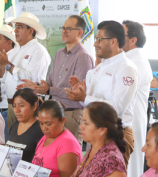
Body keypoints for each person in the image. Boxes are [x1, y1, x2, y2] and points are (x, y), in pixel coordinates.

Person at [65, 20, 138, 166]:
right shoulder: (99, 68)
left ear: (113, 42)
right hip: (98, 133)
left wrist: (85, 97)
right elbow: (90, 103)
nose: (94, 44)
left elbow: (117, 109)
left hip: (117, 134)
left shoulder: (126, 69)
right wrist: (81, 95)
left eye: (99, 39)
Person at [17, 15, 94, 146]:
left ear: (80, 32)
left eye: (68, 29)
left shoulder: (83, 57)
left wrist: (49, 89)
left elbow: (75, 94)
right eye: (63, 28)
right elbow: (50, 82)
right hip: (54, 113)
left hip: (72, 114)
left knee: (70, 153)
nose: (64, 31)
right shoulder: (59, 53)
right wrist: (36, 85)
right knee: (53, 153)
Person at [0, 12, 51, 130]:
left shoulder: (39, 51)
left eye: (20, 27)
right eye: (15, 27)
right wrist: (0, 65)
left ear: (30, 31)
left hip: (27, 106)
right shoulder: (15, 50)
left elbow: (30, 79)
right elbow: (4, 78)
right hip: (11, 104)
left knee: (25, 143)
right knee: (12, 143)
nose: (15, 30)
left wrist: (7, 64)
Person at [122, 20, 152, 177]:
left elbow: (122, 92)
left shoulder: (136, 61)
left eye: (122, 34)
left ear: (133, 40)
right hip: (125, 119)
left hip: (132, 120)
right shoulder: (126, 59)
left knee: (130, 165)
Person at [71, 102, 127, 177]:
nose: (81, 126)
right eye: (82, 121)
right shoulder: (93, 149)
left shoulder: (113, 161)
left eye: (86, 123)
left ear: (102, 130)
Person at [32, 100, 82, 177]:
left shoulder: (68, 144)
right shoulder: (46, 137)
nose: (44, 128)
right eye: (41, 124)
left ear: (62, 120)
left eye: (49, 124)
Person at [6, 88, 43, 162]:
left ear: (34, 106)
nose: (17, 110)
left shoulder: (41, 128)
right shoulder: (15, 124)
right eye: (14, 106)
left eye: (21, 106)